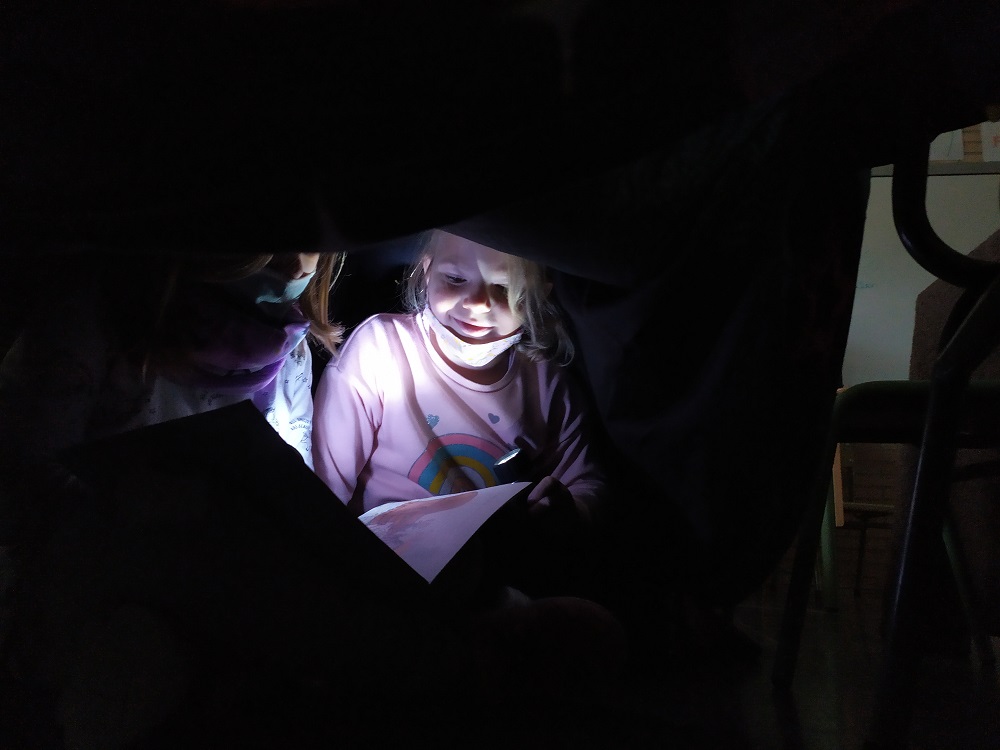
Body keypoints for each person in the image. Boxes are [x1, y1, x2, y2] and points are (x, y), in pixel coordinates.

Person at [312, 228, 611, 602]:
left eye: (504, 288)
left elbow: (586, 482)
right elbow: (323, 483)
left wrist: (570, 512)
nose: (478, 303)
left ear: (539, 294)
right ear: (426, 271)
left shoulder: (545, 384)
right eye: (454, 279)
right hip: (380, 564)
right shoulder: (380, 350)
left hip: (491, 576)